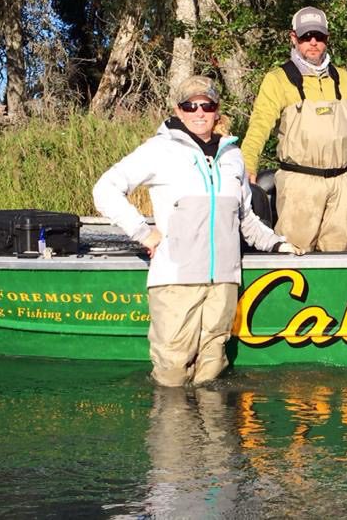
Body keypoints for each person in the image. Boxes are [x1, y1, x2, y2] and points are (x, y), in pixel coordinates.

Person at [93, 75, 302, 387]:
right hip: (176, 282)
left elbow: (244, 217)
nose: (199, 112)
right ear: (179, 110)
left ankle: (213, 437)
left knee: (212, 372)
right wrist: (143, 232)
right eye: (190, 105)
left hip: (224, 284)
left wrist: (276, 244)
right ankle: (175, 435)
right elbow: (105, 189)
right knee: (173, 372)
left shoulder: (233, 155)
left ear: (217, 110)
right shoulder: (159, 150)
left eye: (207, 105)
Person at [240, 6, 347, 251]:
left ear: (327, 39)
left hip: (342, 183)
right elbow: (259, 127)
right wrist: (247, 166)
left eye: (319, 36)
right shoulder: (278, 79)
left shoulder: (343, 79)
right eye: (306, 37)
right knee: (292, 255)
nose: (313, 43)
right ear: (294, 38)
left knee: (338, 259)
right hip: (298, 183)